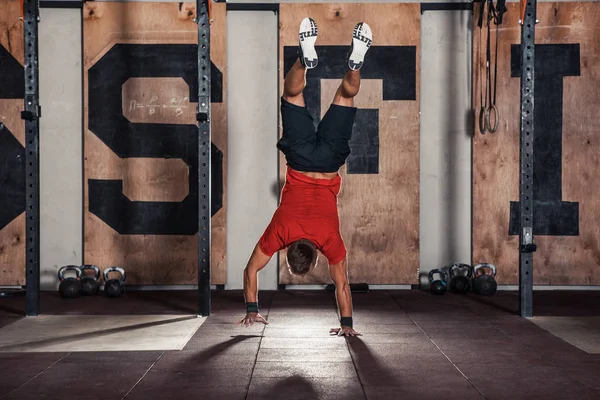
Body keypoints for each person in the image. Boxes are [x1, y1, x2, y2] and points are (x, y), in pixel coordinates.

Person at [238, 17, 373, 337]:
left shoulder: (331, 244)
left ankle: (355, 62)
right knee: (290, 94)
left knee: (347, 93)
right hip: (299, 161)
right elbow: (250, 271)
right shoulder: (279, 233)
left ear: (315, 259)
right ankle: (302, 58)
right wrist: (250, 309)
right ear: (288, 254)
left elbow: (342, 286)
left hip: (328, 163)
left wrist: (347, 325)